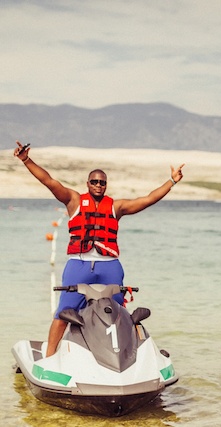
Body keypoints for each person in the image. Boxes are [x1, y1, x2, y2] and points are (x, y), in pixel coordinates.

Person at [13, 140, 185, 357]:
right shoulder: (73, 200)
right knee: (64, 311)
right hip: (79, 264)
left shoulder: (116, 207)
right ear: (87, 183)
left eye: (102, 183)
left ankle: (130, 356)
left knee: (120, 313)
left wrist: (172, 181)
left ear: (106, 185)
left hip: (109, 266)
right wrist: (26, 160)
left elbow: (148, 199)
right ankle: (49, 356)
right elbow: (48, 181)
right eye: (94, 181)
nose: (98, 185)